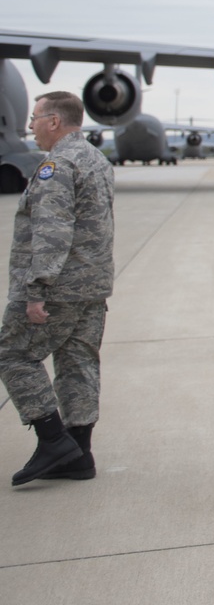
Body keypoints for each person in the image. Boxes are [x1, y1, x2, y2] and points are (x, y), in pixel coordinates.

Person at [0, 92, 114, 486]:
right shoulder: (95, 158)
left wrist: (36, 290)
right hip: (91, 286)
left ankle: (52, 440)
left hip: (58, 287)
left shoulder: (57, 165)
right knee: (77, 363)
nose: (29, 126)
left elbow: (52, 232)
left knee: (13, 354)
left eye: (34, 118)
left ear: (54, 121)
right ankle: (79, 454)